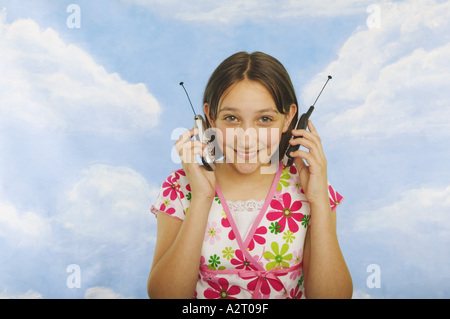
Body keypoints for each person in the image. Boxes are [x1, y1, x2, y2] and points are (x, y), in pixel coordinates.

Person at [147, 51, 352, 299]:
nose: (246, 137)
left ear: (288, 118)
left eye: (264, 119)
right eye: (231, 118)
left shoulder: (312, 188)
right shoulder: (179, 187)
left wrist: (319, 201)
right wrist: (202, 196)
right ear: (211, 116)